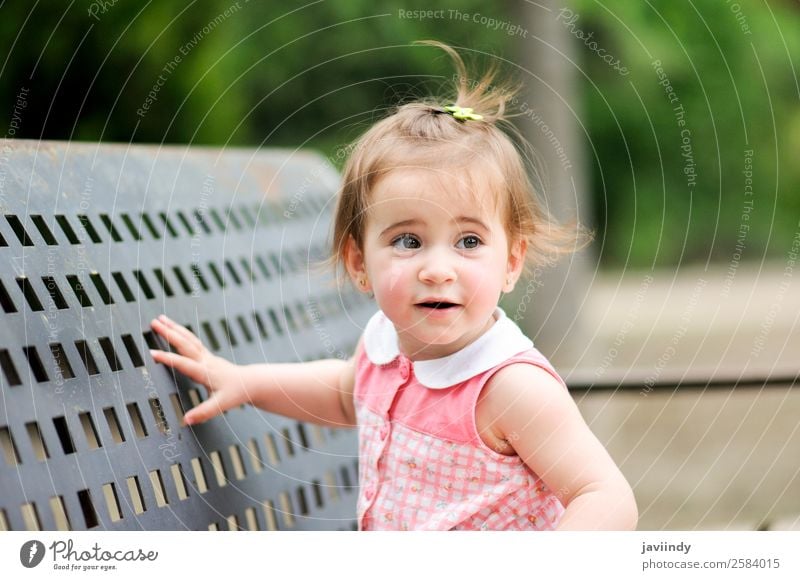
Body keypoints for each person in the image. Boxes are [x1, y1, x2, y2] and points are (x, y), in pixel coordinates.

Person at [149, 42, 637, 531]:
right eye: (408, 240)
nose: (437, 269)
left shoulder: (511, 388)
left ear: (511, 262)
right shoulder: (383, 345)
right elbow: (344, 392)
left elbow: (605, 495)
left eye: (468, 240)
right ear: (360, 263)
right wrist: (243, 381)